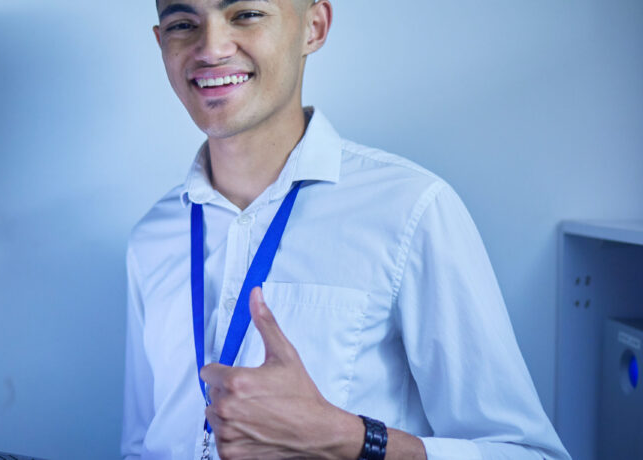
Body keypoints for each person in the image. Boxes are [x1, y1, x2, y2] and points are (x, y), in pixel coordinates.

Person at [120, 1, 571, 459]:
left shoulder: (411, 210)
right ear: (161, 44)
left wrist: (353, 441)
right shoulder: (152, 237)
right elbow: (140, 445)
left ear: (313, 28)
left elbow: (531, 453)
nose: (211, 48)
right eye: (183, 24)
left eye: (246, 14)